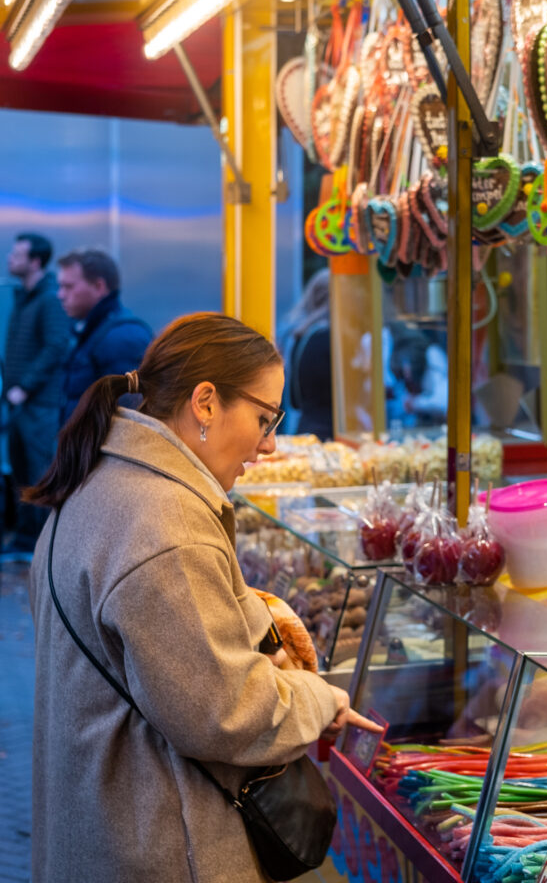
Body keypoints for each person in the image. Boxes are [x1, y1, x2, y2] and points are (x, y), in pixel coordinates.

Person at [26, 312, 378, 883]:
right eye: (265, 419)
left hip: (94, 827)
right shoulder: (168, 524)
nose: (268, 445)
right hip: (155, 842)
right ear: (206, 402)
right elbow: (222, 712)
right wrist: (317, 700)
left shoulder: (97, 480)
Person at [3, 233, 71, 556]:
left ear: (35, 262)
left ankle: (45, 549)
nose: (9, 259)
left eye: (17, 255)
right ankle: (25, 540)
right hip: (20, 404)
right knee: (20, 471)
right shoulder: (23, 297)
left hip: (39, 405)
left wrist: (24, 386)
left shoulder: (49, 298)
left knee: (38, 473)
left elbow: (56, 345)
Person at [56, 247, 153, 423]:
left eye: (68, 286)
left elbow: (131, 416)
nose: (60, 295)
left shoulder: (122, 336)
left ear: (98, 286)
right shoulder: (89, 330)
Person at [282, 268, 334, 439]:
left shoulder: (297, 335)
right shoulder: (330, 338)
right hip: (330, 434)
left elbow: (294, 400)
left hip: (304, 427)